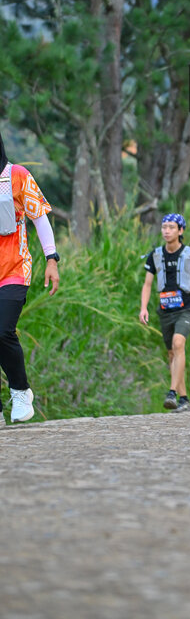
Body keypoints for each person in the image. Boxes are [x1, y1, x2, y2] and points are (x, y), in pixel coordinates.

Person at [0, 131, 60, 424]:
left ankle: (21, 391)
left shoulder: (17, 176)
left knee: (2, 331)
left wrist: (52, 258)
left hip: (14, 268)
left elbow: (39, 218)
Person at [139, 213, 190, 412]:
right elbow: (147, 284)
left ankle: (171, 392)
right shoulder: (155, 255)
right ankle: (184, 399)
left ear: (180, 230)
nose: (166, 231)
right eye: (164, 227)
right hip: (165, 310)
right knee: (171, 353)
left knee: (178, 343)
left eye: (171, 227)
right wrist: (143, 307)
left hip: (186, 308)